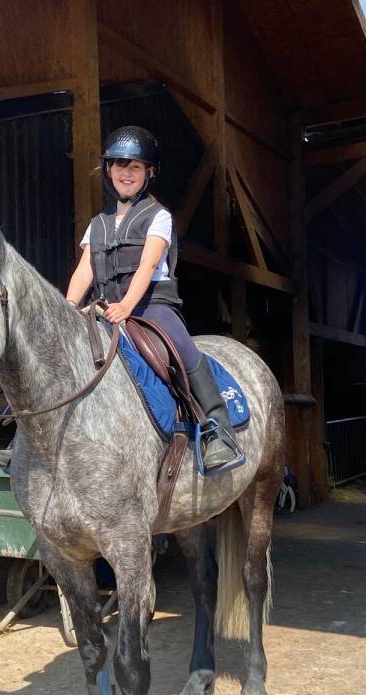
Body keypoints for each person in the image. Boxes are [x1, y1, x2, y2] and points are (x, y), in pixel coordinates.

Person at [65, 125, 238, 470]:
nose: (125, 174)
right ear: (108, 170)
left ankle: (218, 430)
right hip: (106, 308)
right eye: (118, 165)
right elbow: (85, 270)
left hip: (151, 307)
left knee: (181, 348)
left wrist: (127, 307)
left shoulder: (159, 217)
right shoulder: (97, 225)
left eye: (134, 167)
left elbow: (147, 265)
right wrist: (68, 309)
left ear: (149, 173)